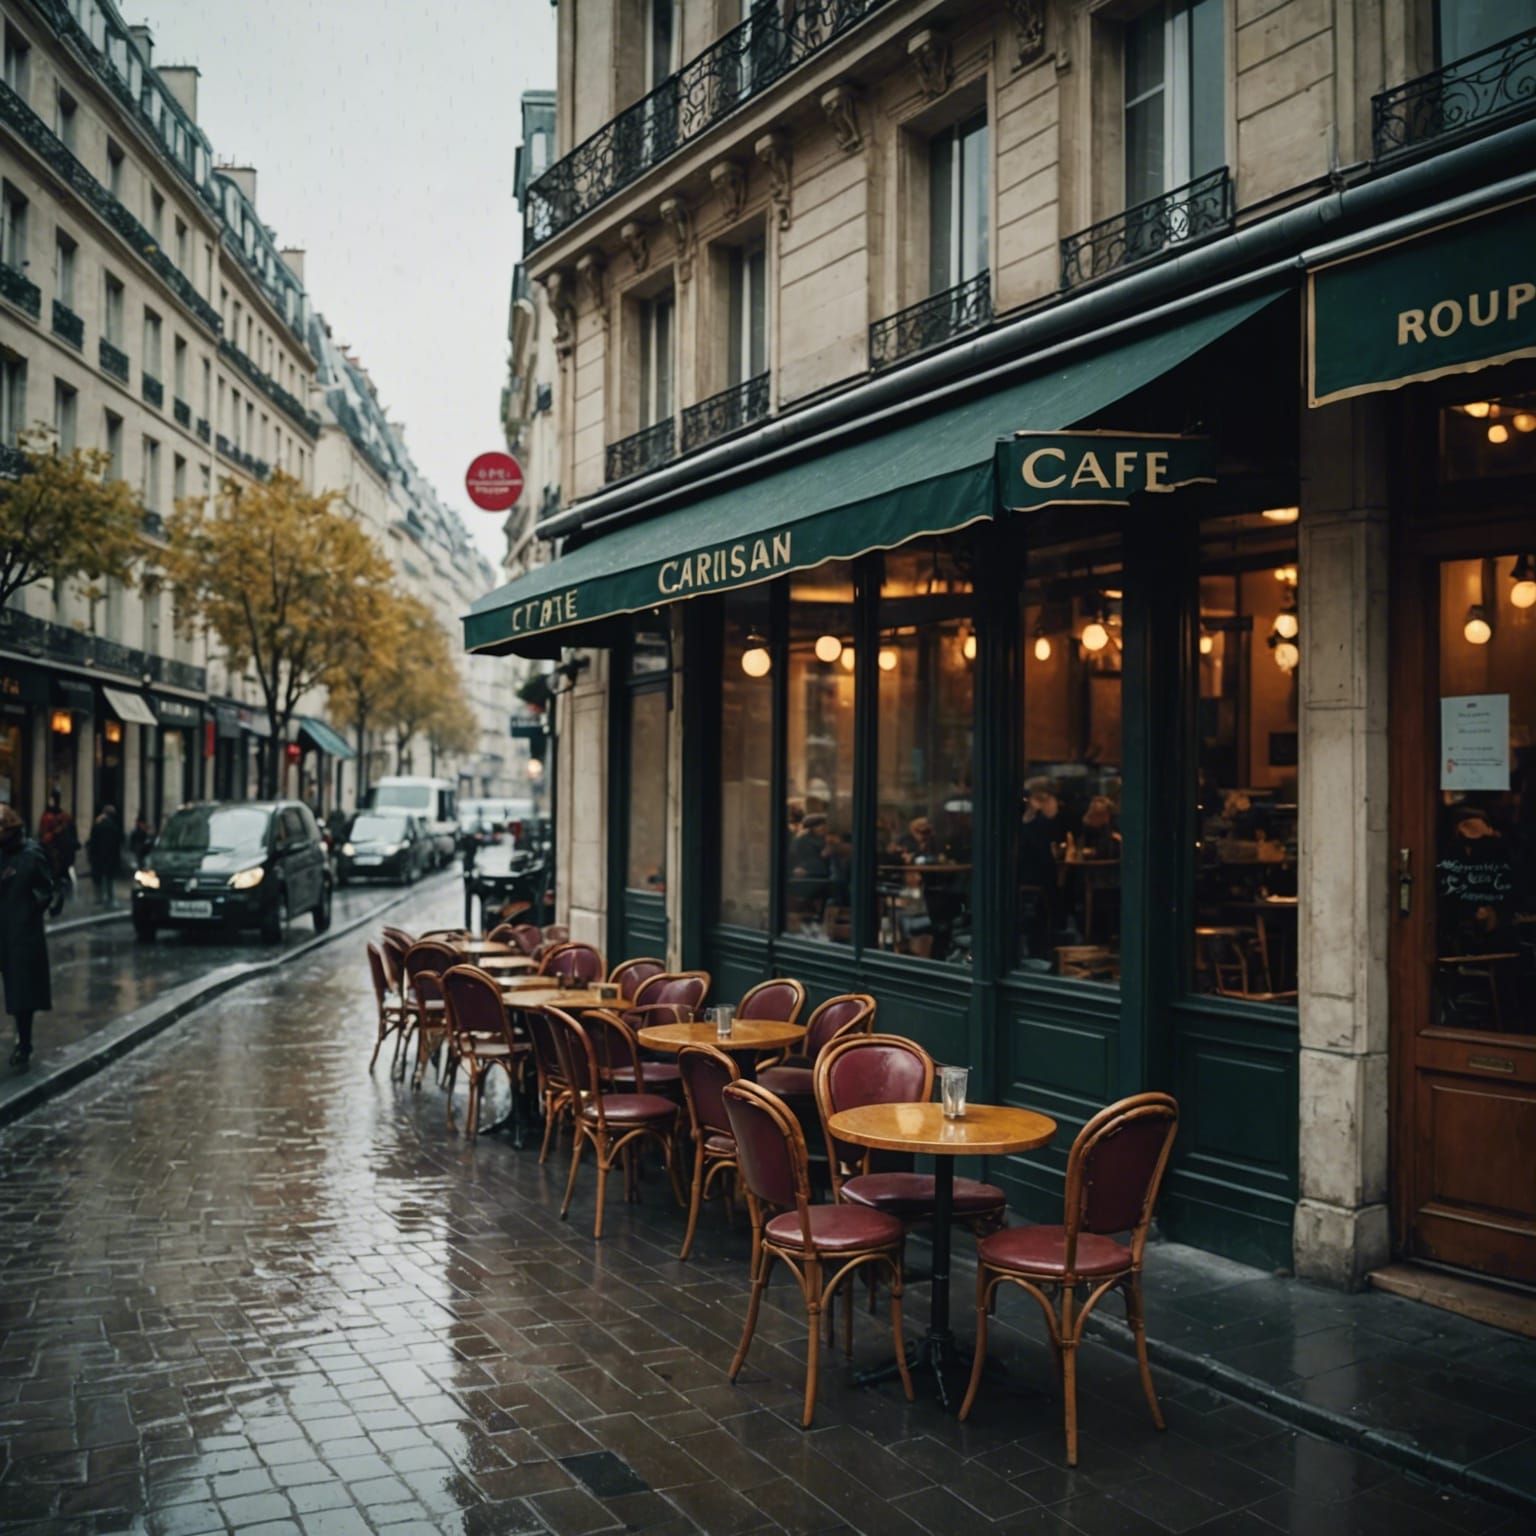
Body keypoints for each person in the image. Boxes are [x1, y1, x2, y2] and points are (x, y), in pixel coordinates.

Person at [0, 805, 54, 1069]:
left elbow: (48, 889)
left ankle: (24, 1043)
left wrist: (31, 906)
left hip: (19, 933)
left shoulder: (30, 854)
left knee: (22, 993)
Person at [87, 804, 123, 908]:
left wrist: (91, 855)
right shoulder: (113, 826)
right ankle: (110, 900)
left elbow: (92, 841)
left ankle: (99, 899)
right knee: (109, 880)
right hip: (109, 856)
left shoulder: (98, 824)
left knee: (99, 879)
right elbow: (117, 842)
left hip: (98, 856)